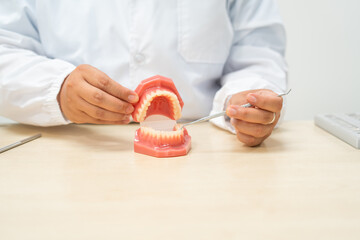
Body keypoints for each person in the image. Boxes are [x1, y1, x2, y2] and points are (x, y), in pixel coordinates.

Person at [0, 0, 287, 147]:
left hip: (208, 153)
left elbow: (258, 53)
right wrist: (56, 89)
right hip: (72, 146)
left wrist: (248, 100)